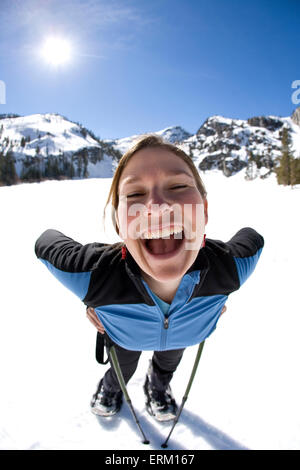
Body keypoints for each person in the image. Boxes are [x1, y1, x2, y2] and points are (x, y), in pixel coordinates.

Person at [34, 135, 264, 421]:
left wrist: (218, 284)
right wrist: (94, 281)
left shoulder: (227, 268)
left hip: (183, 336)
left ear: (203, 211)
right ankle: (111, 388)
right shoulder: (94, 276)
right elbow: (47, 241)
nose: (157, 206)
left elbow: (253, 237)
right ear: (119, 223)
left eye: (178, 186)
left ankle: (157, 388)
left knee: (167, 365)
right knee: (122, 367)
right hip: (124, 339)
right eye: (134, 194)